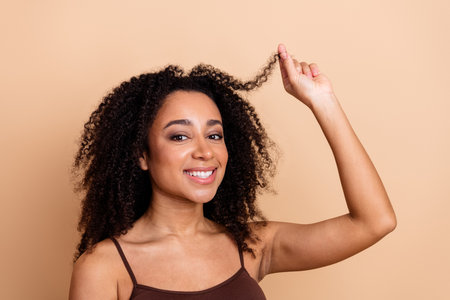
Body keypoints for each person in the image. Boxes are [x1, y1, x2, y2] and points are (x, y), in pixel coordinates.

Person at [69, 44, 396, 299]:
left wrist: (323, 102)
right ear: (142, 155)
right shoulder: (102, 267)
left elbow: (374, 221)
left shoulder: (252, 246)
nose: (204, 151)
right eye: (180, 136)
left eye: (214, 135)